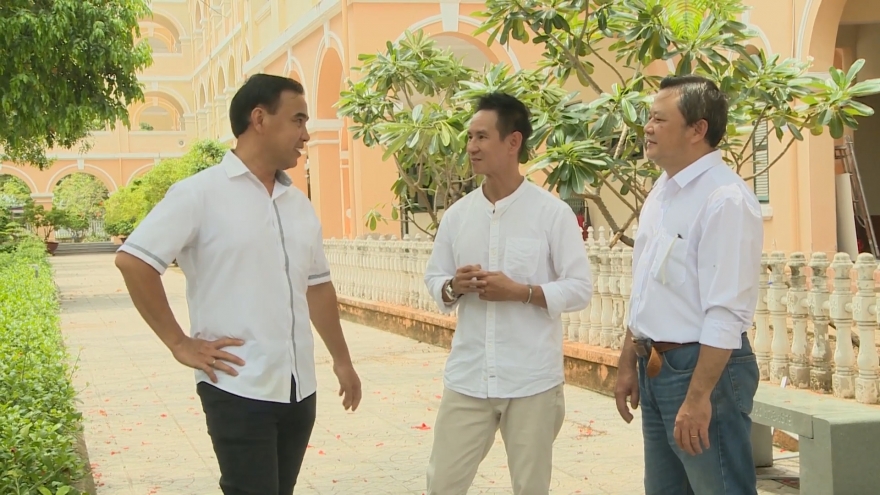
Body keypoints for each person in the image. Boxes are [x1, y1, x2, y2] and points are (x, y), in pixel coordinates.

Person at [114, 74, 362, 495]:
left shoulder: (299, 205)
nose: (306, 134)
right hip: (237, 386)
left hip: (299, 389)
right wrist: (179, 342)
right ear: (259, 119)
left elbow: (317, 287)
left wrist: (342, 360)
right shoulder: (199, 194)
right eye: (298, 120)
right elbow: (134, 261)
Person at [423, 92, 592, 494]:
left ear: (513, 141)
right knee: (442, 485)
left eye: (482, 137)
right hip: (469, 377)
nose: (471, 146)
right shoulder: (458, 216)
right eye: (470, 137)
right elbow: (434, 278)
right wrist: (453, 286)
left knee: (531, 488)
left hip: (532, 381)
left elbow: (580, 288)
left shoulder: (552, 214)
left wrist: (521, 292)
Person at [614, 75, 764, 494]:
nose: (647, 128)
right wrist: (628, 361)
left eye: (660, 119)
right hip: (655, 365)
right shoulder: (663, 191)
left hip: (702, 369)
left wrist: (699, 397)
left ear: (698, 129)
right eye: (649, 118)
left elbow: (726, 312)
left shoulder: (725, 199)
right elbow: (647, 287)